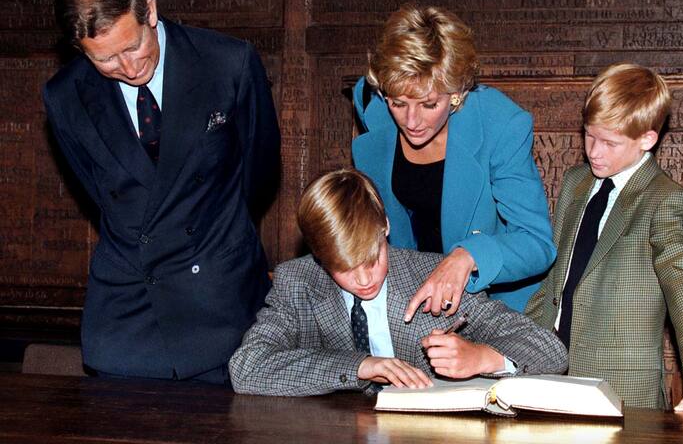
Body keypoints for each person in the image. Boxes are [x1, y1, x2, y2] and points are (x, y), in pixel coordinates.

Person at [42, 0, 280, 383]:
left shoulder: (228, 62)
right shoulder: (65, 95)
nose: (129, 68)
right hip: (128, 311)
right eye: (106, 60)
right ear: (81, 50)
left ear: (149, 11)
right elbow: (99, 190)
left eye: (133, 46)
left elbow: (259, 174)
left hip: (219, 300)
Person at [525, 64, 683, 415]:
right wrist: (518, 348)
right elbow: (554, 279)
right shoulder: (575, 182)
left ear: (647, 139)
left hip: (622, 386)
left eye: (610, 143)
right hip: (547, 371)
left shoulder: (665, 199)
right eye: (589, 135)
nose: (594, 152)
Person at [229, 168, 567, 396]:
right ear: (318, 256)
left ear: (386, 227)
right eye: (344, 269)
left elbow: (551, 350)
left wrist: (481, 357)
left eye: (372, 259)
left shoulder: (434, 277)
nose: (364, 279)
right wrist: (360, 366)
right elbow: (246, 367)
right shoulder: (298, 283)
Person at [351, 5, 555, 318]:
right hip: (410, 295)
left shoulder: (500, 125)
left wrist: (468, 256)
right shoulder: (374, 109)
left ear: (457, 93)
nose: (411, 121)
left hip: (494, 302)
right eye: (399, 103)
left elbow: (537, 243)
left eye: (429, 104)